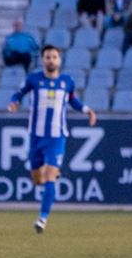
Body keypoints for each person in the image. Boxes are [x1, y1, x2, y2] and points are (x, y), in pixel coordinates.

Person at [9, 44, 98, 233]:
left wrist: (87, 110)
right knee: (37, 179)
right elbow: (19, 93)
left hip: (57, 137)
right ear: (43, 60)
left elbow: (73, 101)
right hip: (36, 137)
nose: (51, 60)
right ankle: (52, 173)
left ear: (60, 60)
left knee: (50, 176)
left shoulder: (67, 82)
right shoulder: (34, 79)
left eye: (54, 57)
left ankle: (42, 219)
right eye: (48, 57)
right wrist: (14, 102)